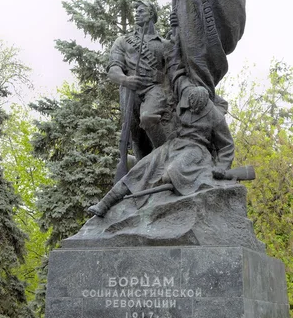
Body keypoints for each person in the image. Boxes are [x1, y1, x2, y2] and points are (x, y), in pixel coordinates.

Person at [88, 79, 235, 217]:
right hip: (174, 144)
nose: (192, 108)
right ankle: (105, 204)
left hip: (196, 149)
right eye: (190, 104)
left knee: (172, 172)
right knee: (140, 168)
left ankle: (160, 211)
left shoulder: (215, 116)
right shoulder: (184, 100)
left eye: (196, 107)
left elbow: (227, 144)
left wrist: (222, 166)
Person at [107, 0, 174, 160]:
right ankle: (142, 168)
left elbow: (178, 68)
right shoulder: (123, 41)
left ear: (151, 14)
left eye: (141, 11)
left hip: (154, 88)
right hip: (130, 90)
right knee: (136, 134)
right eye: (135, 12)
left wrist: (178, 29)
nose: (136, 15)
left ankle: (166, 157)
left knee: (148, 117)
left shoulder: (165, 45)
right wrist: (125, 79)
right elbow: (113, 70)